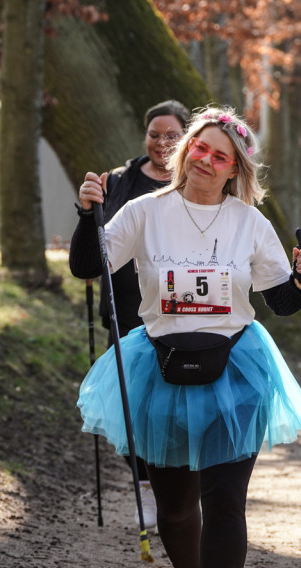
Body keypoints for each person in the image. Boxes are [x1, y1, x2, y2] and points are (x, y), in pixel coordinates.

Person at [69, 105, 301, 568]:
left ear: (235, 169)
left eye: (220, 155)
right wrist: (87, 214)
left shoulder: (250, 221)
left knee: (226, 500)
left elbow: (281, 302)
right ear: (186, 151)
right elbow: (90, 269)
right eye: (199, 149)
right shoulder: (144, 210)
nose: (205, 160)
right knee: (177, 508)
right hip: (161, 365)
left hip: (236, 366)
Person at [72, 100, 190, 529]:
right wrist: (87, 212)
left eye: (171, 135)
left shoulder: (194, 180)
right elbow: (98, 238)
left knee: (172, 403)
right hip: (124, 310)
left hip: (176, 310)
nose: (161, 143)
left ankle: (170, 486)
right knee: (125, 402)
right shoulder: (121, 181)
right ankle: (144, 479)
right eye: (154, 134)